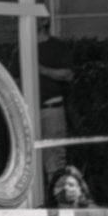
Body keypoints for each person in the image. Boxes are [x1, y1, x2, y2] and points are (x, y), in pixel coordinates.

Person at [36, 18, 74, 181]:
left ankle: (58, 202)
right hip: (29, 112)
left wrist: (42, 70)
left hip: (52, 111)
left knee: (54, 162)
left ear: (43, 23)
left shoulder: (57, 47)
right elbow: (14, 77)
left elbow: (68, 74)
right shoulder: (23, 48)